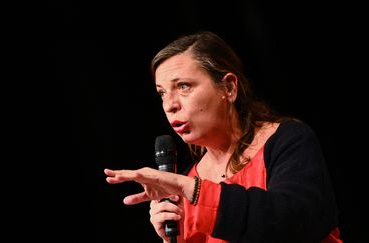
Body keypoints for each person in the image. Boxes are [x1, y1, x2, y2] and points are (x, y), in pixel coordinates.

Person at [104, 31, 342, 243]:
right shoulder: (185, 182)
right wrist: (172, 239)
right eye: (162, 93)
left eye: (184, 86)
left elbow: (296, 223)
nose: (169, 105)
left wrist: (193, 190)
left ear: (228, 88)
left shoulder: (287, 140)